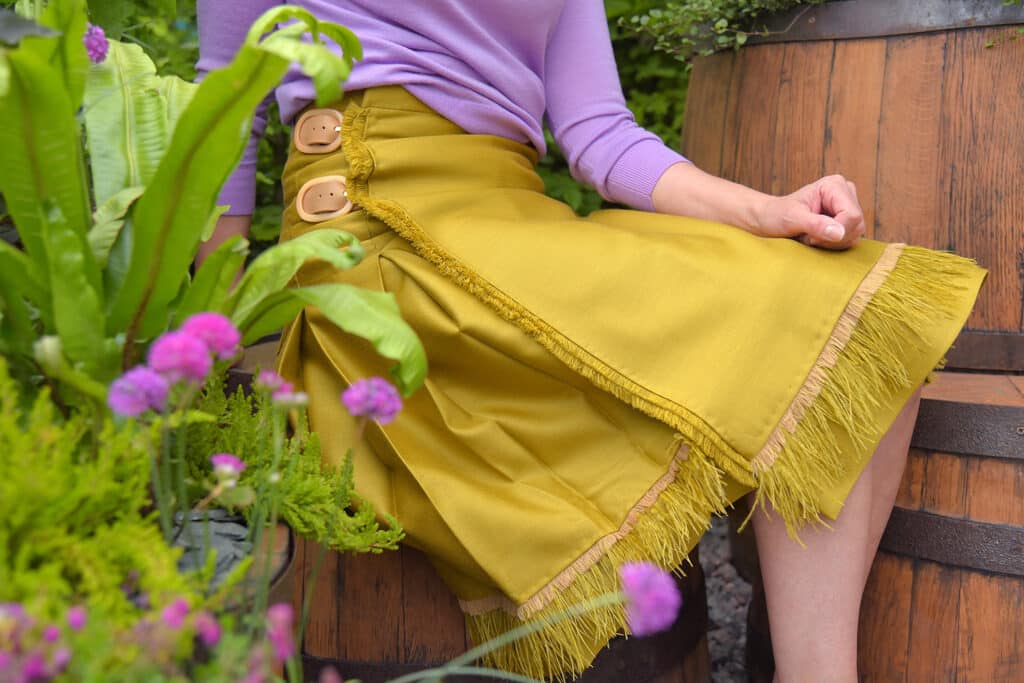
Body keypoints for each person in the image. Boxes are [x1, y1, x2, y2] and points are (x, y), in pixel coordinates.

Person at [196, 3, 984, 681]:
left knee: (845, 304)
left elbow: (600, 132)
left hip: (509, 219)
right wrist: (211, 328)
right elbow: (227, 97)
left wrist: (769, 212)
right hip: (372, 232)